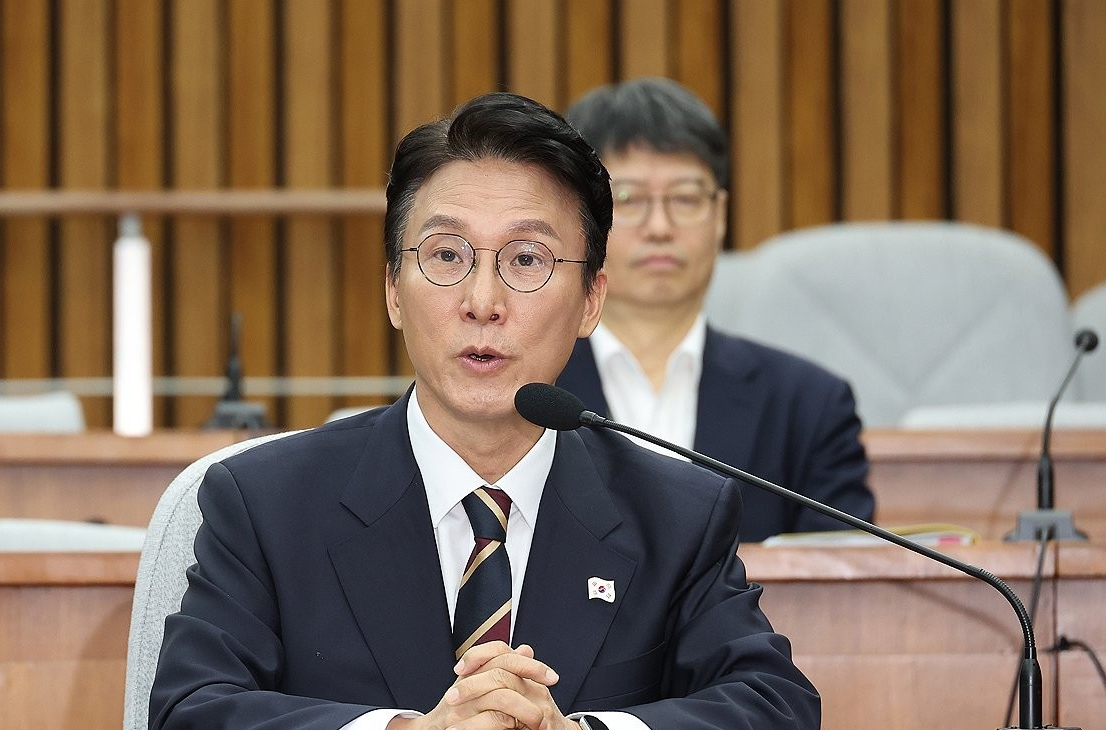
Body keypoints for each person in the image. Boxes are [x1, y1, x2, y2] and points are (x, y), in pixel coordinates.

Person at [149, 91, 820, 730]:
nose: (482, 302)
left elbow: (775, 706)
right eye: (447, 255)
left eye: (526, 259)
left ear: (591, 301)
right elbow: (190, 710)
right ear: (393, 289)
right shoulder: (266, 503)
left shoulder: (676, 515)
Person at [556, 77, 874, 542]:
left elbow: (843, 577)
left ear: (720, 214)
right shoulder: (528, 392)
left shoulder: (808, 404)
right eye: (627, 199)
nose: (660, 227)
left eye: (686, 198)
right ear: (582, 219)